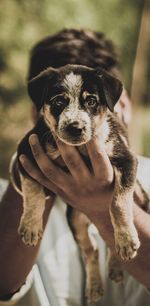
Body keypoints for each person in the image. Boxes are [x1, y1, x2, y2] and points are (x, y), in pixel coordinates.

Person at [0, 29, 150, 306]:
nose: (76, 120)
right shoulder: (9, 192)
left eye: (92, 102)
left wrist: (103, 206)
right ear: (38, 111)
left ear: (121, 104)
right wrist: (34, 182)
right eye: (59, 103)